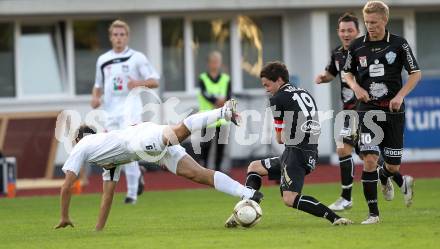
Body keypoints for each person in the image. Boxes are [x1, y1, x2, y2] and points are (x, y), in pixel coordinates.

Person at [54, 100, 263, 231]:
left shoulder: (83, 145)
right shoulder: (106, 158)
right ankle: (247, 192)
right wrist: (98, 231)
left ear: (78, 140)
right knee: (198, 174)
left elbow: (66, 186)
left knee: (179, 132)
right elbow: (107, 196)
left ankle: (223, 113)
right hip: (148, 150)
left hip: (140, 140)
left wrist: (64, 216)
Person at [225, 62, 353, 227]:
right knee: (254, 167)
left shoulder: (277, 99)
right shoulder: (302, 91)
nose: (266, 89)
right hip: (306, 150)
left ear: (278, 80)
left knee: (290, 198)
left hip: (296, 153)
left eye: (267, 84)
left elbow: (279, 138)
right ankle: (245, 208)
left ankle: (335, 218)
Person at [343, 0, 421, 224]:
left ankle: (386, 177)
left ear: (385, 20)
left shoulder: (399, 44)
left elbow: (415, 73)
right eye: (367, 22)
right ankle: (373, 215)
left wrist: (400, 96)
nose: (370, 26)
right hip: (367, 111)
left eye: (374, 22)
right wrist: (356, 87)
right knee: (369, 158)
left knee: (392, 165)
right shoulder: (357, 46)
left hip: (393, 110)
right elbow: (347, 73)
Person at [90, 20, 160, 204]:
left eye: (122, 35)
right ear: (111, 37)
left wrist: (137, 83)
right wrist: (95, 98)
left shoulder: (137, 57)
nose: (119, 38)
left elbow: (154, 80)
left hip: (131, 110)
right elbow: (98, 85)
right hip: (110, 112)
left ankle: (131, 194)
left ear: (127, 37)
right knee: (112, 152)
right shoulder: (103, 60)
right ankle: (137, 175)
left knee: (129, 148)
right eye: (115, 35)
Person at [197, 51, 232, 172]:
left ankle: (218, 170)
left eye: (217, 62)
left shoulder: (226, 79)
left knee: (220, 146)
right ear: (209, 63)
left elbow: (228, 95)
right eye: (213, 62)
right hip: (208, 117)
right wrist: (216, 101)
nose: (215, 64)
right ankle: (204, 169)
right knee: (206, 145)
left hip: (222, 118)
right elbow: (204, 93)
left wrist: (224, 101)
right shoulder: (203, 78)